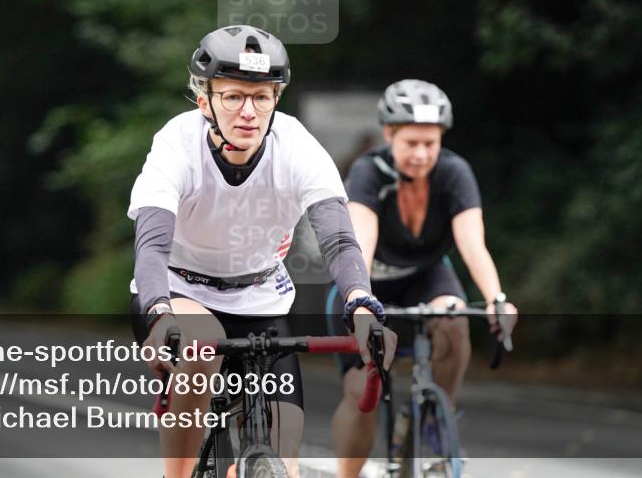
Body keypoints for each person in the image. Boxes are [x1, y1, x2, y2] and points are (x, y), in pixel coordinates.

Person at [127, 25, 397, 478]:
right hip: (178, 293)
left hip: (260, 301)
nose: (248, 111)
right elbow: (152, 243)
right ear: (204, 102)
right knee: (199, 348)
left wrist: (362, 305)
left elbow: (338, 237)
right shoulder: (176, 144)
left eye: (262, 97)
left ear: (276, 101)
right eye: (233, 96)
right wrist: (158, 313)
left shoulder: (296, 146)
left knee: (283, 465)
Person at [328, 79, 518, 478]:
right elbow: (359, 245)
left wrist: (497, 298)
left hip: (427, 277)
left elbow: (472, 243)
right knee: (360, 395)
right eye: (411, 143)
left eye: (430, 143)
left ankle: (434, 420)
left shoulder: (453, 172)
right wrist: (359, 302)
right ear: (389, 134)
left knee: (455, 320)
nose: (421, 154)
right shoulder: (369, 173)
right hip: (368, 283)